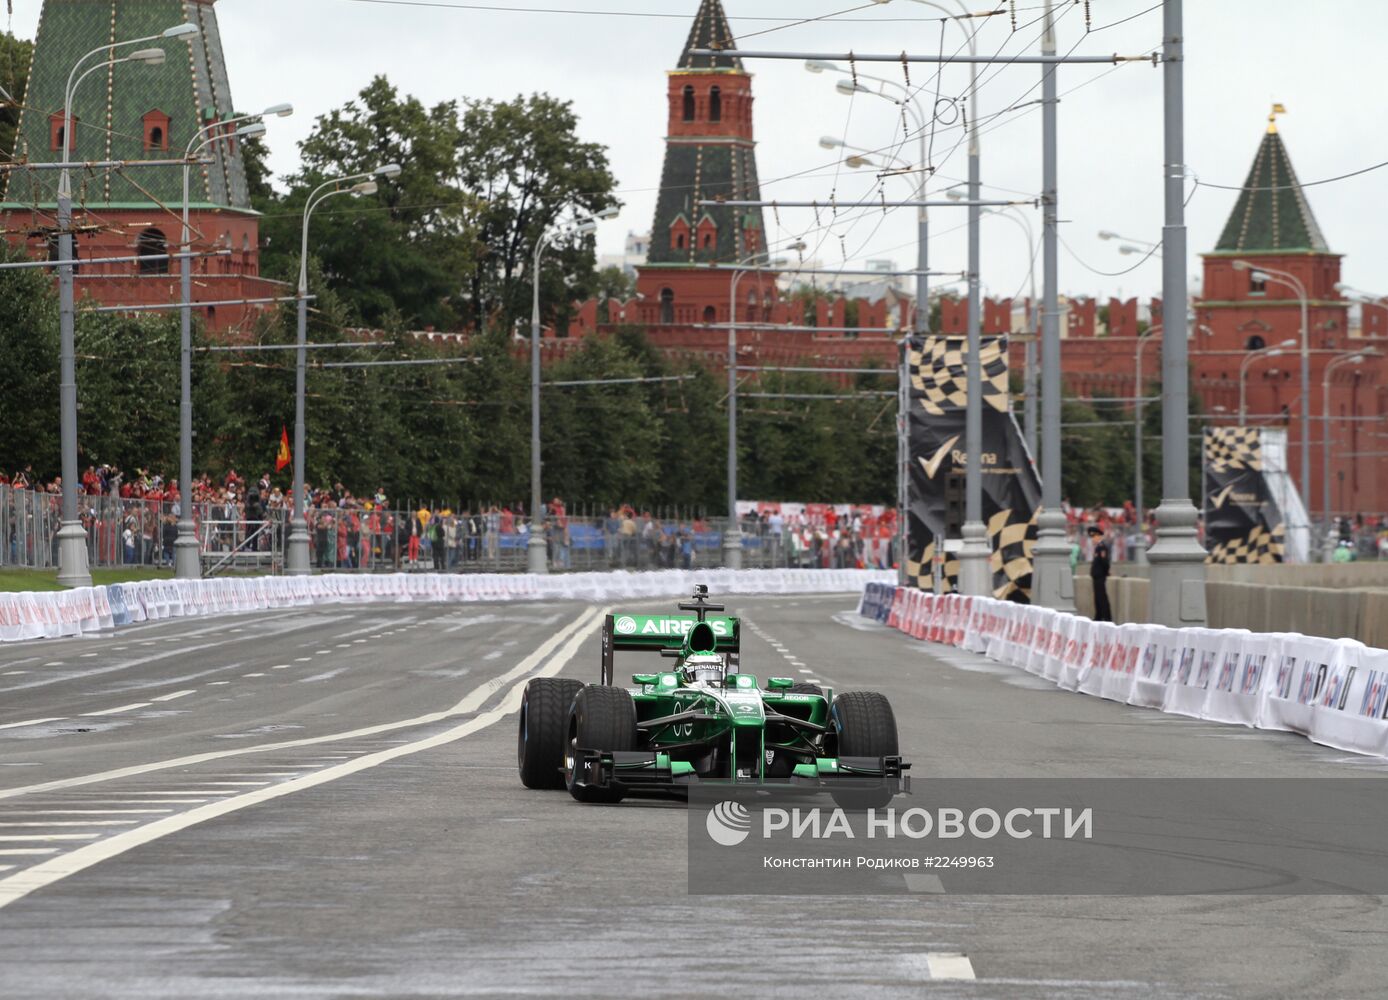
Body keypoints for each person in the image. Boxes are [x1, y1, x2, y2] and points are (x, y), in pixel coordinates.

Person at [1088, 525, 1112, 622]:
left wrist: (1106, 572)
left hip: (1100, 576)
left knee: (1102, 597)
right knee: (1097, 597)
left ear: (1098, 536)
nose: (1092, 540)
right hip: (1096, 576)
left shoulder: (1102, 547)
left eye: (1094, 537)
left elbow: (1104, 562)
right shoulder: (1098, 548)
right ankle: (1098, 615)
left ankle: (1106, 617)